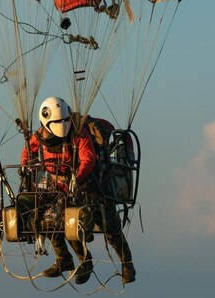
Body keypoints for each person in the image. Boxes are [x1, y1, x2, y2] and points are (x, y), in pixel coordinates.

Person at [21, 96, 136, 285]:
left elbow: (88, 158)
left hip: (89, 185)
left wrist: (77, 178)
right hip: (58, 187)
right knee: (50, 219)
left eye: (64, 121)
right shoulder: (39, 135)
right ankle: (70, 260)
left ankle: (127, 265)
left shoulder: (79, 134)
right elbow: (28, 151)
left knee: (110, 227)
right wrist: (25, 167)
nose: (61, 126)